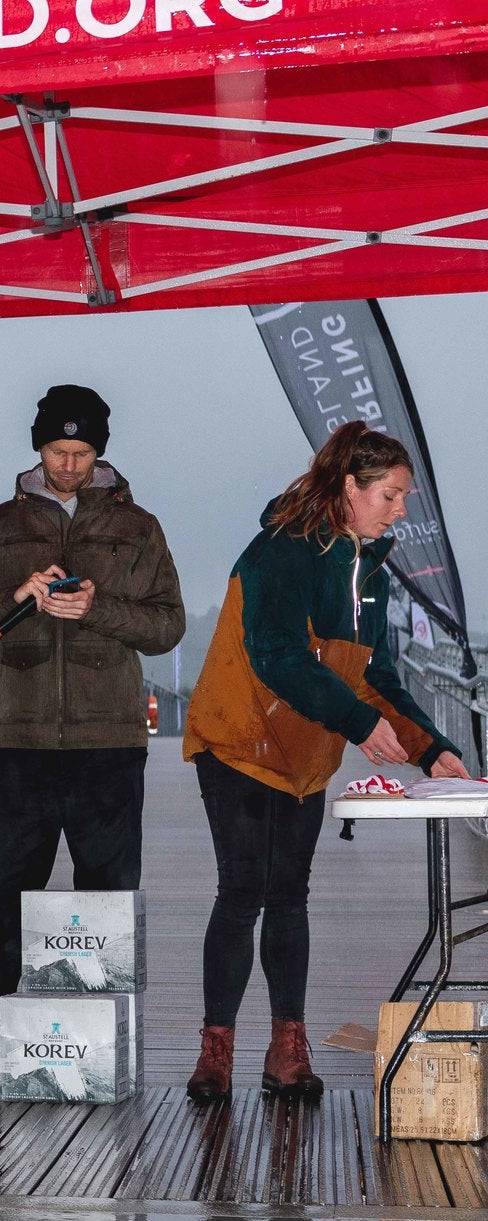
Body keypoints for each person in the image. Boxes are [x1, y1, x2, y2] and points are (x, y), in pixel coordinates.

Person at [182, 420, 470, 1102]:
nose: (401, 509)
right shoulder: (280, 552)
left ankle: (288, 1047)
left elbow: (378, 675)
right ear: (350, 486)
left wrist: (433, 747)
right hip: (240, 743)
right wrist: (358, 720)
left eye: (404, 497)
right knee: (242, 889)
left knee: (289, 895)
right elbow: (276, 653)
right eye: (392, 495)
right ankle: (215, 1050)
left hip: (305, 755)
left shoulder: (371, 572)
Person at [0, 385, 185, 1087]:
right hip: (21, 741)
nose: (68, 465)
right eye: (56, 450)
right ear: (37, 447)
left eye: (81, 452)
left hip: (111, 742)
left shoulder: (140, 528)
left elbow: (168, 626)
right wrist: (16, 597)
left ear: (100, 451)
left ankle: (98, 1050)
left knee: (105, 900)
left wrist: (99, 608)